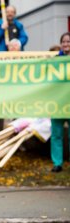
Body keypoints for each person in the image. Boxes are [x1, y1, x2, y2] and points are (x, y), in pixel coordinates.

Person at [50, 32, 70, 172]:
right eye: (64, 42)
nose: (66, 44)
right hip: (58, 102)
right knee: (56, 134)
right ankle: (57, 163)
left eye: (68, 42)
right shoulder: (56, 60)